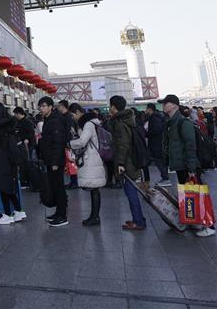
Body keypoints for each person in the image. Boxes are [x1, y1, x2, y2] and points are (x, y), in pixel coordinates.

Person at [159, 95, 214, 236]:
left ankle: (209, 225)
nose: (163, 106)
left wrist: (191, 168)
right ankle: (195, 221)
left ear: (175, 106)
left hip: (188, 165)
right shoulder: (170, 122)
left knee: (199, 194)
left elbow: (190, 146)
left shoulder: (183, 122)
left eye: (166, 103)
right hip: (180, 165)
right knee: (189, 194)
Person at [107, 97, 148, 231]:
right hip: (131, 160)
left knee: (131, 192)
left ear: (113, 107)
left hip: (127, 163)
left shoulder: (119, 123)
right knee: (131, 192)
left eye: (110, 106)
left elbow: (123, 145)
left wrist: (120, 163)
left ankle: (139, 221)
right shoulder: (127, 120)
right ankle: (138, 219)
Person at [0, 103, 26, 225]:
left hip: (2, 160)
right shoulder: (11, 124)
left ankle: (7, 215)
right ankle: (19, 211)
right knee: (10, 187)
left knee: (3, 187)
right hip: (12, 160)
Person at [68, 104, 105, 226]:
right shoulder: (88, 123)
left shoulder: (88, 124)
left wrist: (70, 143)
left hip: (92, 158)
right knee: (94, 189)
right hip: (92, 157)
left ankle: (95, 217)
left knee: (94, 189)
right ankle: (94, 216)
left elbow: (83, 141)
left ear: (78, 112)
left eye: (73, 115)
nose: (73, 117)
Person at [38, 96, 69, 226]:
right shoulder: (48, 119)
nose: (41, 108)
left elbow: (57, 143)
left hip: (55, 161)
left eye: (44, 106)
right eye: (40, 106)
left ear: (51, 107)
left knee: (59, 187)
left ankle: (62, 216)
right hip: (50, 159)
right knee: (55, 187)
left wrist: (55, 162)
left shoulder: (55, 121)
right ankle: (58, 213)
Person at [144, 103, 170, 186]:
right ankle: (165, 177)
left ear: (150, 109)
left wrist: (147, 133)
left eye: (146, 108)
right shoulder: (157, 116)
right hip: (158, 142)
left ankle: (165, 178)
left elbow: (156, 129)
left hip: (157, 143)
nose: (145, 110)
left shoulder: (154, 117)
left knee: (158, 160)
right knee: (160, 160)